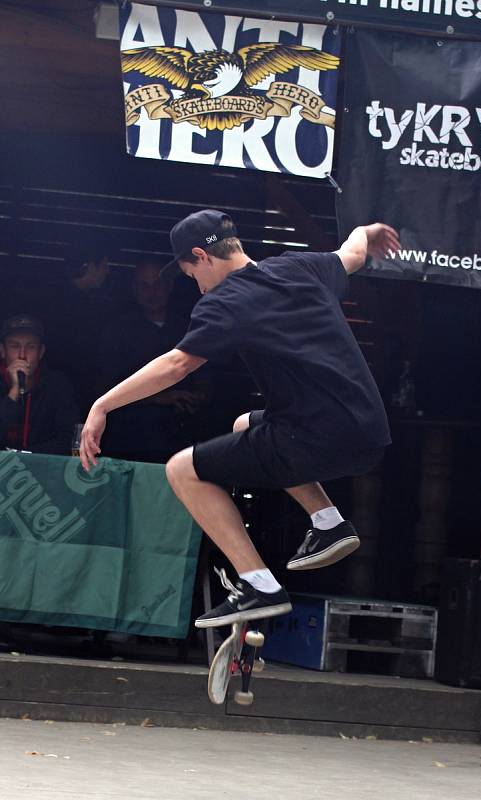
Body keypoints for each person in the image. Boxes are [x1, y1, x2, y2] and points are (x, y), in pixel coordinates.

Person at [80, 210, 400, 628]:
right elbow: (353, 252)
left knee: (182, 470)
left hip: (315, 439)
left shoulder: (227, 302)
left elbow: (177, 365)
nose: (196, 285)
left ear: (201, 256)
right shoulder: (298, 266)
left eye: (191, 273)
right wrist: (369, 230)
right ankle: (329, 523)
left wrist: (102, 405)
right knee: (243, 425)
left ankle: (258, 584)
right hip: (368, 434)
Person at [94, 258, 207, 462]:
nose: (152, 292)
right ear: (134, 288)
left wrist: (196, 396)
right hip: (129, 440)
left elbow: (207, 377)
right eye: (144, 285)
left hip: (181, 440)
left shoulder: (190, 327)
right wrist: (162, 397)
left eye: (158, 284)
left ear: (170, 285)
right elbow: (104, 387)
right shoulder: (116, 331)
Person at [0, 314, 79, 454]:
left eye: (30, 347)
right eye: (15, 346)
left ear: (41, 352)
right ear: (2, 351)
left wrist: (25, 455)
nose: (22, 355)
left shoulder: (57, 384)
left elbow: (69, 441)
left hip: (42, 470)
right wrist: (13, 394)